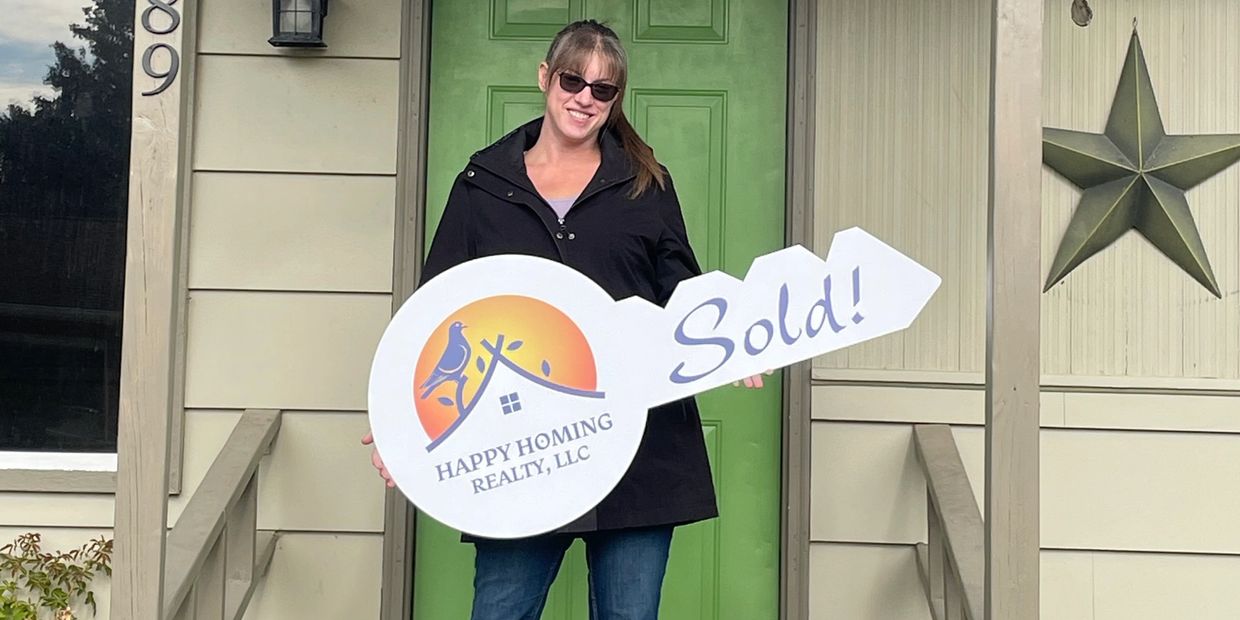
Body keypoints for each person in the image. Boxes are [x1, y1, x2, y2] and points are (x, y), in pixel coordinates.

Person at [360, 19, 770, 620]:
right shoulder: (483, 187)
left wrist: (731, 341)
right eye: (574, 80)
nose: (585, 98)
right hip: (522, 451)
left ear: (615, 100)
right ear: (546, 79)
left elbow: (680, 287)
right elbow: (437, 310)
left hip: (638, 448)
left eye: (603, 90)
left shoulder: (645, 186)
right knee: (501, 611)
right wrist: (402, 424)